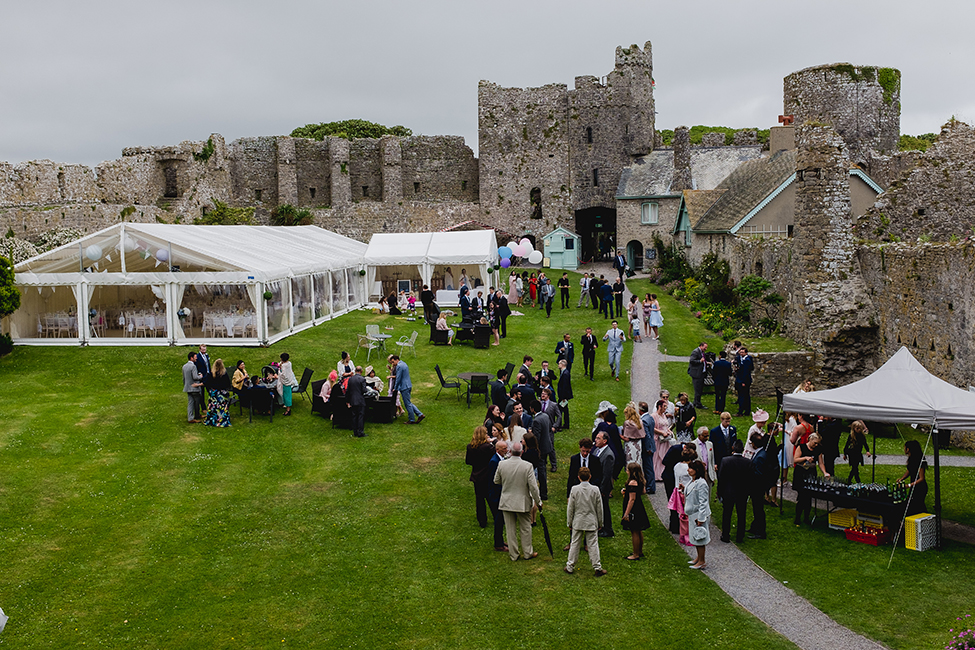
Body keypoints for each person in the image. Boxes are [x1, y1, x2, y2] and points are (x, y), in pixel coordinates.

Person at [495, 441, 543, 561]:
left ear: (510, 452)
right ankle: (527, 552)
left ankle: (514, 554)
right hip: (522, 501)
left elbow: (496, 480)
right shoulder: (527, 466)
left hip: (507, 501)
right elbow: (533, 487)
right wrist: (539, 501)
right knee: (526, 528)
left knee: (510, 530)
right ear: (522, 452)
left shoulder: (502, 464)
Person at [564, 466, 607, 576]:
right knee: (593, 544)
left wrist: (569, 522)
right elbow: (599, 508)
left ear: (578, 477)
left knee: (575, 543)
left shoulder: (574, 489)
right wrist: (600, 522)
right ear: (590, 477)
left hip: (578, 520)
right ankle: (597, 567)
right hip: (591, 520)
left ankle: (570, 566)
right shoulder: (595, 490)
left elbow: (570, 508)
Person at [718, 440, 750, 543]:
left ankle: (725, 535)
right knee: (741, 515)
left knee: (727, 514)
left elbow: (721, 478)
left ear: (733, 448)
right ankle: (740, 536)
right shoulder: (748, 462)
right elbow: (750, 479)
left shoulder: (725, 461)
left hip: (728, 492)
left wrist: (720, 492)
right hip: (742, 492)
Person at [793, 432, 829, 525]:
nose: (816, 445)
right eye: (815, 443)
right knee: (802, 497)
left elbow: (821, 463)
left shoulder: (818, 450)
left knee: (808, 497)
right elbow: (795, 460)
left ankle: (806, 518)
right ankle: (797, 518)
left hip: (811, 473)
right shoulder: (801, 447)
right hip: (801, 473)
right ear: (810, 440)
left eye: (817, 443)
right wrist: (805, 458)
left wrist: (825, 472)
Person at [618, 463, 650, 561]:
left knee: (634, 531)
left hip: (634, 509)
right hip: (640, 507)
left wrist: (626, 513)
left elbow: (632, 499)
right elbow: (643, 492)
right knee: (639, 530)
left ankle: (635, 554)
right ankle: (639, 551)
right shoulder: (640, 481)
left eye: (627, 470)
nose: (626, 471)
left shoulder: (632, 482)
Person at [684, 460, 712, 570]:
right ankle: (698, 558)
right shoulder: (693, 481)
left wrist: (701, 518)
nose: (688, 470)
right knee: (695, 537)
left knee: (700, 538)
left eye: (690, 468)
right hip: (693, 514)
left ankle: (702, 561)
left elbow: (703, 502)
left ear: (696, 470)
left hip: (698, 515)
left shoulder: (702, 483)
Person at [466, 426, 496, 529]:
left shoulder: (470, 447)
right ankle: (497, 517)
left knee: (479, 500)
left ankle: (482, 521)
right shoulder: (488, 447)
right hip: (487, 476)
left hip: (476, 476)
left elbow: (468, 461)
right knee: (491, 498)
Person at [487, 440, 509, 552]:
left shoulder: (500, 459)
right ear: (498, 450)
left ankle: (500, 540)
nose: (506, 450)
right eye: (504, 448)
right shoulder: (494, 462)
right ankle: (498, 544)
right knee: (499, 520)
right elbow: (494, 481)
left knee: (500, 519)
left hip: (499, 494)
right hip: (496, 496)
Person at [592, 431, 615, 538]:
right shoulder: (597, 450)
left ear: (604, 441)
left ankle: (608, 529)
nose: (595, 440)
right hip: (596, 483)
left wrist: (601, 490)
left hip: (603, 487)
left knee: (604, 508)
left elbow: (607, 475)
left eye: (598, 438)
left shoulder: (608, 455)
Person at [390, 355, 424, 424]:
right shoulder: (404, 363)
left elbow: (398, 378)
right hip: (408, 385)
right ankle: (420, 414)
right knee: (409, 402)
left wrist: (395, 388)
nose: (393, 364)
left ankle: (411, 419)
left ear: (397, 360)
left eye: (393, 362)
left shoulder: (399, 366)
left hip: (404, 386)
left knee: (407, 404)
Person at [898, 440, 928, 516]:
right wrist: (902, 479)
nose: (904, 449)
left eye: (905, 448)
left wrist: (909, 485)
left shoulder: (919, 460)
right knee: (912, 503)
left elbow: (921, 478)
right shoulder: (911, 459)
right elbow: (909, 470)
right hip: (913, 486)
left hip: (920, 487)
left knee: (918, 505)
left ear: (908, 449)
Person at [202, 358, 232, 427]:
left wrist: (210, 389)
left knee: (213, 407)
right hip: (221, 393)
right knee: (222, 407)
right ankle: (222, 420)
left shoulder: (211, 374)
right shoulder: (224, 374)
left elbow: (207, 382)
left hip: (214, 393)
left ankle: (212, 419)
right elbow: (227, 384)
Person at [709, 412, 738, 481]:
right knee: (721, 477)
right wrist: (714, 462)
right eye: (726, 421)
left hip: (730, 457)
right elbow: (712, 447)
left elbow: (735, 442)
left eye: (729, 421)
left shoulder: (732, 429)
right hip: (720, 458)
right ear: (721, 419)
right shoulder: (714, 431)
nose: (728, 423)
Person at [651, 399, 673, 482]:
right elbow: (653, 428)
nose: (665, 409)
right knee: (657, 456)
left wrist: (669, 431)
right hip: (658, 439)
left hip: (665, 439)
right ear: (659, 406)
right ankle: (656, 475)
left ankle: (662, 474)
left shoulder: (664, 415)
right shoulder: (654, 416)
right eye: (664, 406)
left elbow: (666, 425)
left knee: (664, 456)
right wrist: (662, 432)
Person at [638, 401, 657, 493]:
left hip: (647, 447)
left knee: (648, 467)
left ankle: (650, 487)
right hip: (651, 445)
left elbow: (647, 435)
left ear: (640, 410)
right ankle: (650, 485)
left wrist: (648, 447)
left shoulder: (644, 420)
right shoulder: (650, 417)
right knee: (649, 467)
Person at [346, 366, 367, 438]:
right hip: (360, 400)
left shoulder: (351, 379)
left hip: (353, 400)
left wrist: (347, 400)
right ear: (361, 371)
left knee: (354, 416)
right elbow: (364, 390)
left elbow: (348, 391)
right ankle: (360, 432)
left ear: (355, 370)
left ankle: (355, 431)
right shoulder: (362, 379)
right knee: (360, 416)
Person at [182, 351, 204, 423]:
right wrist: (200, 376)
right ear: (191, 358)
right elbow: (195, 377)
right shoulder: (193, 366)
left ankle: (190, 417)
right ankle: (197, 415)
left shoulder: (184, 366)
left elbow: (184, 378)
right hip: (194, 387)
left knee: (190, 403)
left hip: (187, 387)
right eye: (195, 357)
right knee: (197, 402)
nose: (196, 359)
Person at [687, 342, 708, 409]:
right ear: (701, 346)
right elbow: (692, 361)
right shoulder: (695, 352)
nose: (706, 349)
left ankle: (695, 402)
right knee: (698, 389)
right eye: (705, 347)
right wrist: (700, 361)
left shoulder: (701, 352)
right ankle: (698, 404)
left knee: (699, 389)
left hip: (701, 373)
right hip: (697, 374)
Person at [734, 346, 754, 416]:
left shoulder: (747, 361)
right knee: (745, 395)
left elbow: (746, 372)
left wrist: (743, 382)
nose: (741, 353)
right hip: (743, 379)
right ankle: (746, 410)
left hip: (744, 381)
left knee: (743, 395)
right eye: (740, 352)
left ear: (746, 353)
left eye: (742, 352)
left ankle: (741, 411)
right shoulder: (744, 359)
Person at [278, 352, 297, 416]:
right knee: (288, 394)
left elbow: (283, 375)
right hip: (289, 381)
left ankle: (288, 410)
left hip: (286, 383)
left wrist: (278, 372)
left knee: (286, 396)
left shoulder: (283, 366)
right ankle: (287, 406)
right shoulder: (289, 363)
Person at [556, 359, 572, 430]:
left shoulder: (565, 374)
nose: (558, 365)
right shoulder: (564, 372)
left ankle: (559, 425)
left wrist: (563, 397)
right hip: (564, 395)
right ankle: (566, 424)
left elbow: (565, 386)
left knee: (559, 410)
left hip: (563, 396)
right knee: (565, 410)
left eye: (559, 364)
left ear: (562, 365)